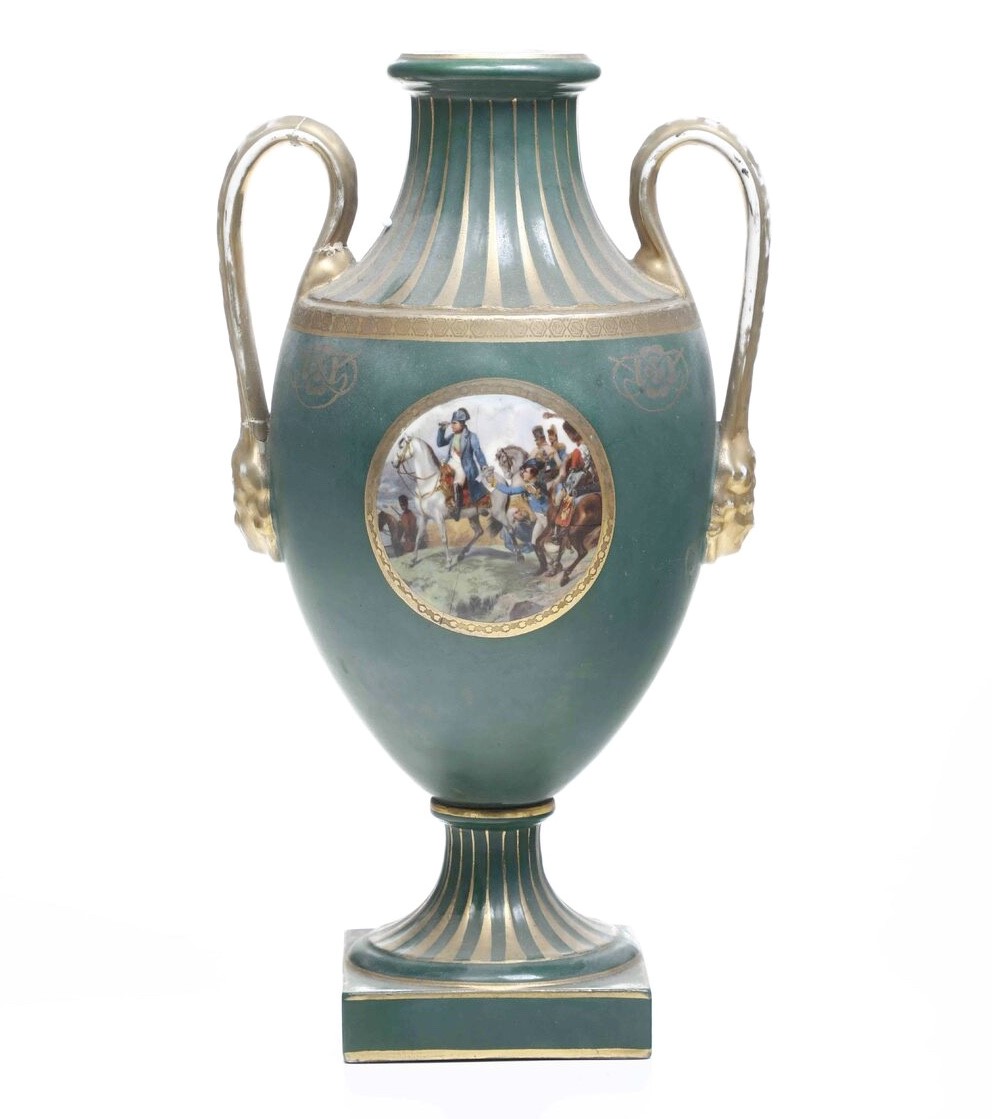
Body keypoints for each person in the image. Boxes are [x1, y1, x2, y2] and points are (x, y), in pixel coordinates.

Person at [493, 458, 551, 564]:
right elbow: (509, 491)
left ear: (533, 474)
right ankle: (548, 563)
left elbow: (541, 498)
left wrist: (493, 482)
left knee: (549, 538)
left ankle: (554, 560)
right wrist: (494, 483)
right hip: (540, 518)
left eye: (526, 471)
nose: (523, 473)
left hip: (546, 516)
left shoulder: (534, 486)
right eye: (523, 471)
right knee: (534, 543)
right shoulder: (527, 486)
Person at [437, 407, 488, 521]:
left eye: (454, 423)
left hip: (464, 466)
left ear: (462, 423)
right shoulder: (452, 436)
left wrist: (483, 465)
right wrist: (442, 430)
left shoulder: (472, 436)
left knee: (456, 483)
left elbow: (478, 452)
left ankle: (457, 510)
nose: (452, 426)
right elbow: (440, 443)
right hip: (451, 463)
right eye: (452, 423)